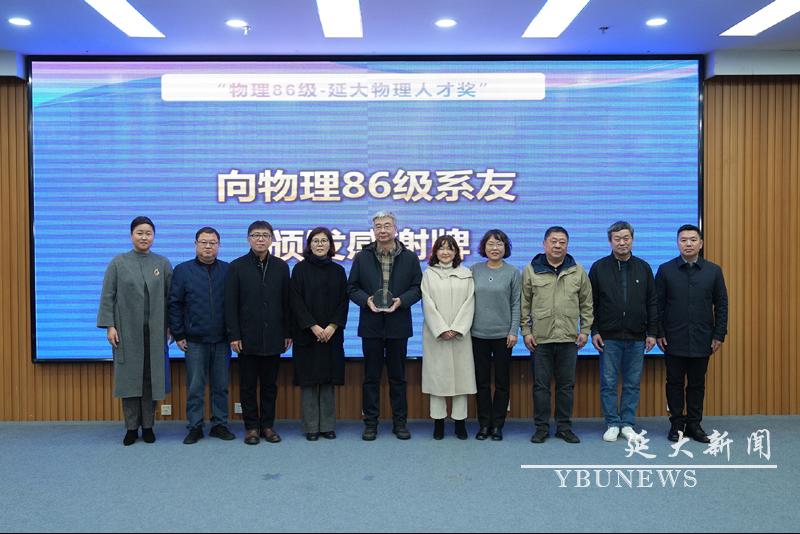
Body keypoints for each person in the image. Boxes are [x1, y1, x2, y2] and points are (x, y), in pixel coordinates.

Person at [347, 211, 422, 441]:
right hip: (371, 325)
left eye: (387, 225)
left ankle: (400, 423)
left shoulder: (410, 257)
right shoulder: (362, 257)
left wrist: (401, 302)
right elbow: (352, 288)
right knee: (371, 378)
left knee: (398, 378)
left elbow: (417, 288)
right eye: (378, 226)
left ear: (395, 229)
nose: (382, 230)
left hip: (398, 324)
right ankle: (370, 424)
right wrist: (366, 301)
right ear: (373, 230)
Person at [97, 216, 172, 446]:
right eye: (140, 232)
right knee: (130, 380)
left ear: (154, 236)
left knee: (151, 380)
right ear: (131, 235)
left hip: (155, 333)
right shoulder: (118, 263)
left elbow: (171, 299)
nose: (144, 237)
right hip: (126, 333)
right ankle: (131, 428)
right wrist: (110, 326)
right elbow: (108, 296)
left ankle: (148, 426)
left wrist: (171, 326)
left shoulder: (162, 263)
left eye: (148, 233)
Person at [656, 224, 728, 444]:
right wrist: (659, 332)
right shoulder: (666, 270)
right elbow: (657, 305)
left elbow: (722, 305)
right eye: (683, 240)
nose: (688, 244)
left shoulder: (713, 271)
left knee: (697, 384)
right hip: (673, 338)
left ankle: (694, 424)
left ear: (701, 243)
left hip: (702, 338)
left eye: (693, 239)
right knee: (674, 383)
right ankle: (677, 424)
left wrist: (719, 334)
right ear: (678, 243)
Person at [521, 226, 593, 444]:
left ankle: (564, 427)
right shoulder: (531, 270)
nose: (558, 245)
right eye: (553, 241)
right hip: (540, 339)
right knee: (541, 386)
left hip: (568, 338)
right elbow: (524, 304)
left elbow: (587, 303)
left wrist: (585, 330)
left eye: (562, 242)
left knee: (566, 386)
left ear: (567, 245)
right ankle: (541, 428)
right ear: (544, 244)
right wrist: (526, 331)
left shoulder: (577, 271)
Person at [588, 221, 657, 443]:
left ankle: (627, 423)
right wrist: (594, 331)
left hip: (637, 336)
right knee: (608, 383)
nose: (622, 242)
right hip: (608, 337)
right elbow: (591, 303)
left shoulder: (643, 267)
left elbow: (652, 302)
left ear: (632, 240)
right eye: (617, 239)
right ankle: (612, 423)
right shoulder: (599, 268)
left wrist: (652, 332)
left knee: (632, 383)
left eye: (626, 238)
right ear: (610, 241)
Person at [225, 221, 291, 445]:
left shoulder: (281, 267)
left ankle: (268, 426)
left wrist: (287, 332)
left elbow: (286, 303)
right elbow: (230, 304)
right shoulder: (236, 266)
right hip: (246, 338)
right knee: (247, 386)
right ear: (248, 239)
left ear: (272, 239)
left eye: (265, 235)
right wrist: (234, 335)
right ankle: (251, 427)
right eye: (255, 235)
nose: (260, 239)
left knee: (270, 386)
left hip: (274, 336)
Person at [168, 226, 235, 445]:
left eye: (212, 243)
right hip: (194, 340)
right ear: (195, 244)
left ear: (219, 245)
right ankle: (195, 426)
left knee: (221, 386)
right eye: (203, 242)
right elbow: (175, 304)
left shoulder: (228, 270)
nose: (208, 246)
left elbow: (235, 304)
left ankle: (219, 424)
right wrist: (178, 333)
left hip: (222, 340)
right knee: (195, 387)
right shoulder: (182, 270)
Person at [290, 227, 348, 441]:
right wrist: (313, 326)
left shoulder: (338, 271)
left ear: (330, 245)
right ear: (309, 245)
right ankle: (311, 427)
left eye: (324, 240)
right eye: (316, 241)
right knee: (309, 381)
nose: (320, 244)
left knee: (327, 380)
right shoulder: (299, 269)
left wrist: (332, 326)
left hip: (331, 335)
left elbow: (343, 302)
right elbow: (295, 301)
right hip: (307, 334)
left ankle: (327, 426)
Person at [421, 235, 476, 440]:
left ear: (456, 252)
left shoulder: (466, 274)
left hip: (460, 336)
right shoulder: (429, 274)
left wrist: (458, 328)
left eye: (450, 248)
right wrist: (442, 329)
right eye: (441, 248)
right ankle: (438, 423)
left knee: (462, 380)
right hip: (436, 336)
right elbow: (427, 303)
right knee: (438, 380)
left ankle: (460, 423)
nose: (445, 252)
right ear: (435, 252)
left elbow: (470, 302)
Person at [470, 229, 520, 441]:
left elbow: (516, 303)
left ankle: (498, 425)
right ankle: (484, 424)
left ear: (505, 248)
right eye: (490, 244)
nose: (495, 248)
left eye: (499, 244)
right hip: (477, 334)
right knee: (481, 382)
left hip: (503, 336)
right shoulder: (473, 270)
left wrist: (513, 331)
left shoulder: (513, 272)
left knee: (502, 383)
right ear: (484, 247)